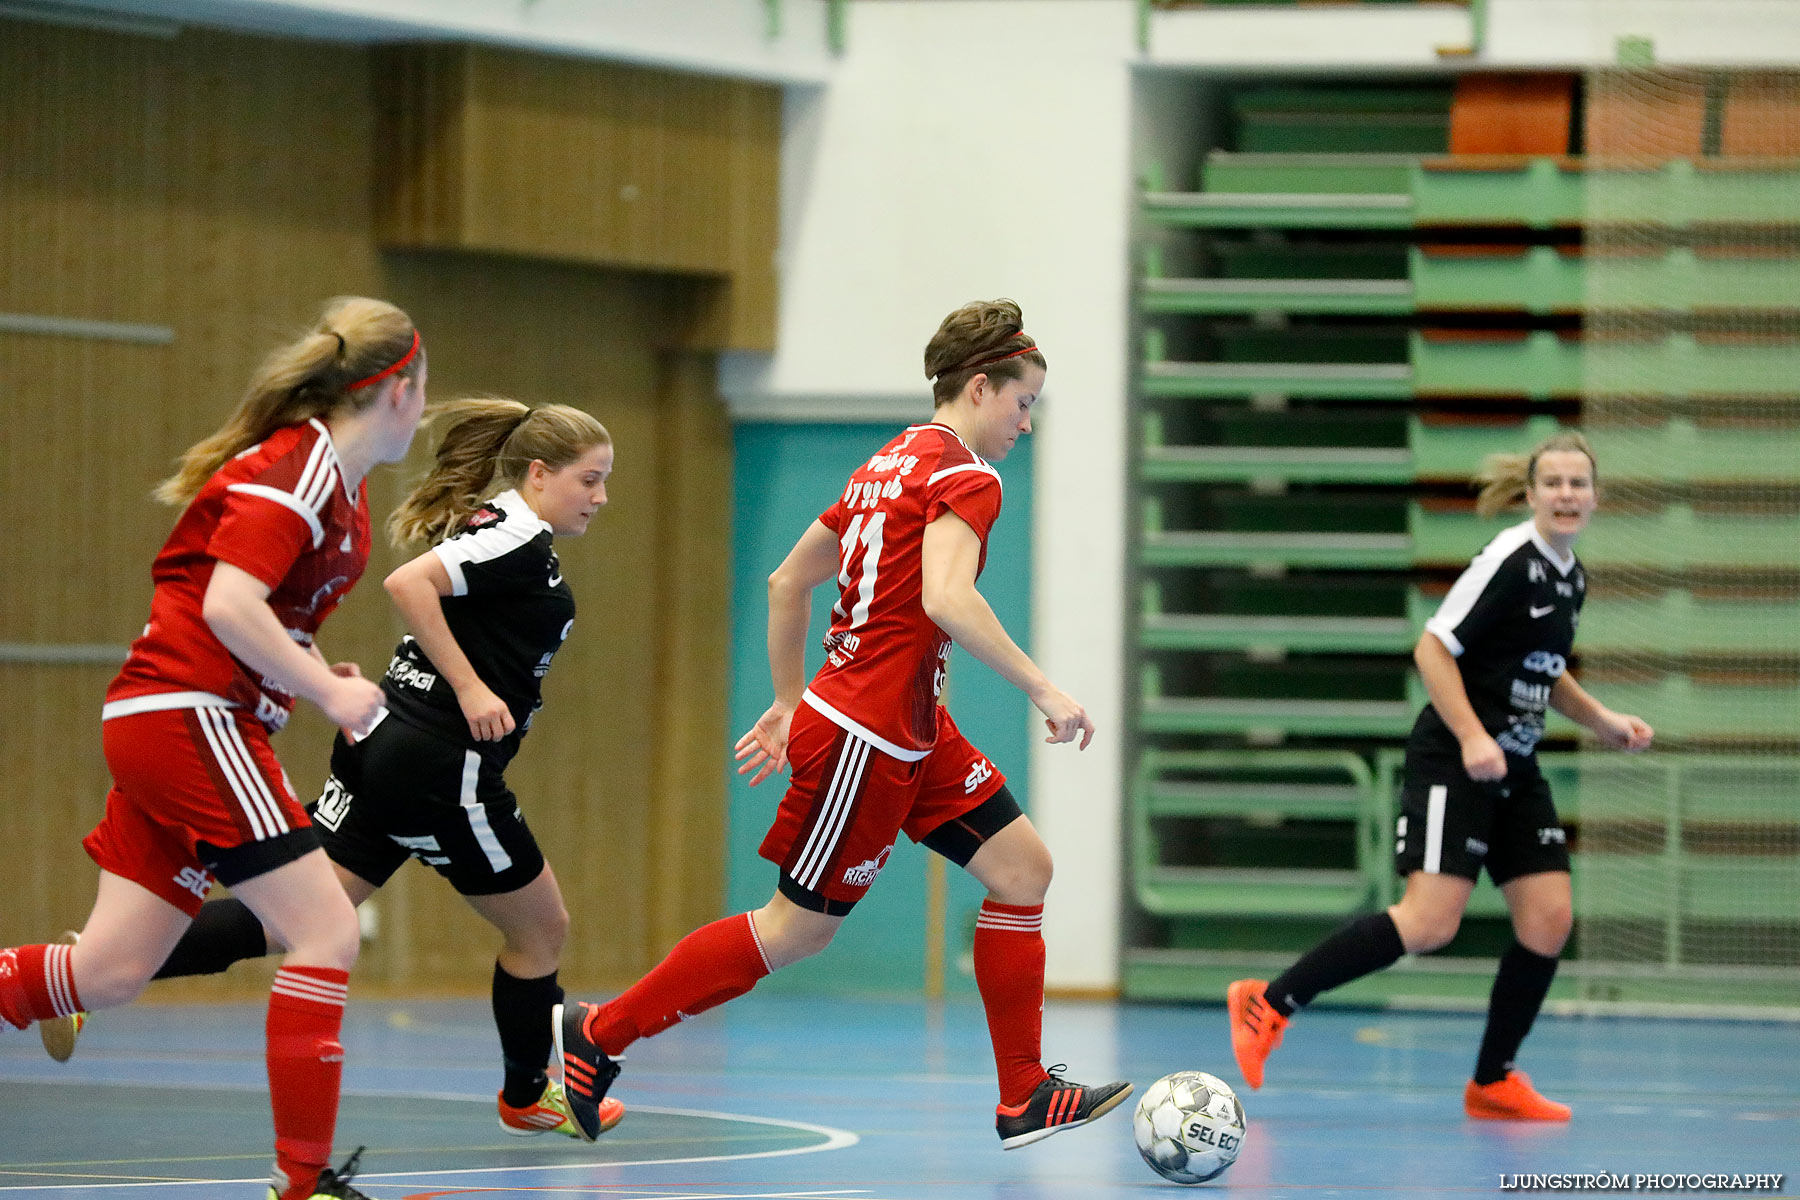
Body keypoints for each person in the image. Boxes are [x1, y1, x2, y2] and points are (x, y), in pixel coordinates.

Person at [554, 298, 1132, 1150]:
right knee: (794, 931)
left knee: (1022, 870)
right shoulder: (967, 475)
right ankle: (599, 1035)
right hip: (866, 738)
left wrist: (792, 701)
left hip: (908, 729)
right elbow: (945, 596)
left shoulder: (885, 466)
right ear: (981, 387)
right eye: (1023, 402)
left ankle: (1024, 1095)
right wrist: (1043, 688)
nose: (1027, 423)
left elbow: (788, 583)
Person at [86, 399, 627, 1142]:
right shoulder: (515, 540)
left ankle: (86, 975)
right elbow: (408, 585)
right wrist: (471, 689)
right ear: (539, 474)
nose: (599, 498)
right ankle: (529, 1093)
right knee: (542, 929)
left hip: (386, 747)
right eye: (589, 480)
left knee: (303, 917)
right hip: (439, 764)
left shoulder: (503, 529)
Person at [0, 297, 429, 1200]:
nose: (424, 413)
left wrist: (310, 668)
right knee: (324, 927)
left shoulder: (337, 489)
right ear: (395, 390)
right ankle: (303, 1183)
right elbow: (227, 609)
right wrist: (328, 691)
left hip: (176, 719)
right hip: (191, 716)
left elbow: (261, 616)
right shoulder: (301, 468)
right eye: (422, 392)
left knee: (110, 972)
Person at [1225, 432, 1655, 1121]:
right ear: (1533, 493)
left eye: (1580, 484)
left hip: (1515, 762)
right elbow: (1433, 648)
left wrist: (1600, 718)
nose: (1567, 495)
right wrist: (1472, 736)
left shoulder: (1571, 575)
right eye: (1555, 484)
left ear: (1596, 497)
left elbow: (1544, 669)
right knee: (1428, 923)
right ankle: (1267, 1001)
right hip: (1457, 758)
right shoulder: (1510, 561)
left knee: (1549, 919)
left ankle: (1493, 1081)